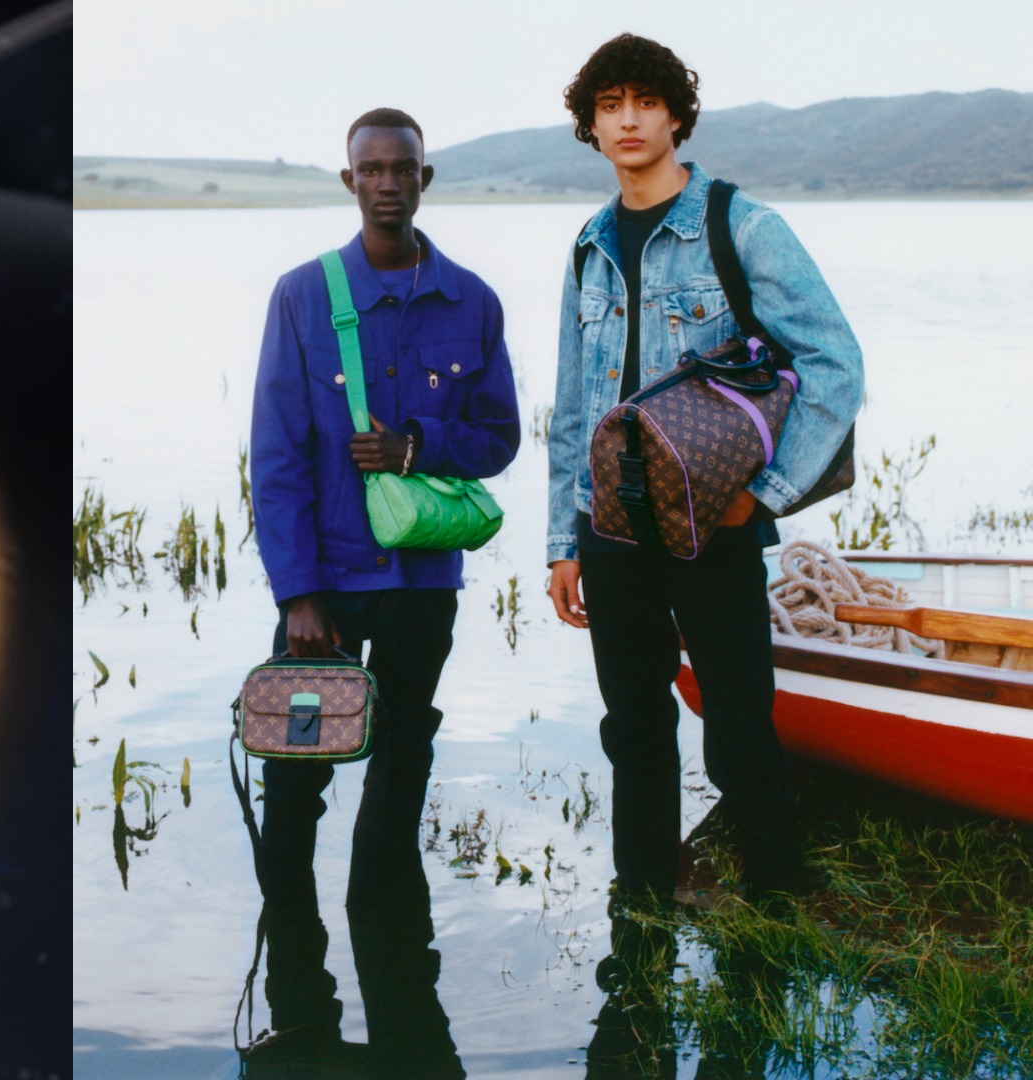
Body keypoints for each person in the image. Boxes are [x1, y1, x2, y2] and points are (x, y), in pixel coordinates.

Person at [544, 34, 864, 904]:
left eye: (644, 100)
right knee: (635, 725)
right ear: (593, 127)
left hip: (713, 520)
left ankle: (775, 894)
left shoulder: (740, 224)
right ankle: (641, 903)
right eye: (609, 106)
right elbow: (575, 406)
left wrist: (765, 492)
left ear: (676, 114)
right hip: (611, 528)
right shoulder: (589, 244)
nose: (629, 120)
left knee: (737, 723)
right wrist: (562, 541)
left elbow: (835, 362)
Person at [249, 108, 520, 937]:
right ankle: (291, 941)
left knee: (404, 761)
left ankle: (383, 929)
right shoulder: (302, 296)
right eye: (371, 171)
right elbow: (277, 456)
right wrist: (298, 593)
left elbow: (499, 438)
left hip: (422, 591)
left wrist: (417, 447)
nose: (388, 185)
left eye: (403, 169)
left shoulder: (471, 301)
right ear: (349, 181)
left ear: (424, 179)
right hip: (323, 594)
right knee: (295, 770)